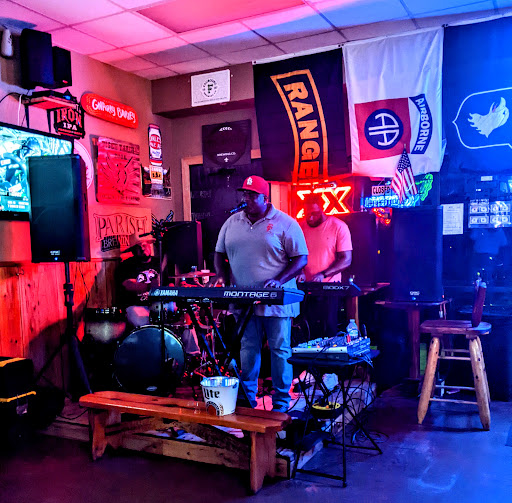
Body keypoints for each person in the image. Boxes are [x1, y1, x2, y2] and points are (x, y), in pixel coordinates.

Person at [213, 175, 308, 412]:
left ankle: (281, 402)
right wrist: (222, 277)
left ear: (265, 198)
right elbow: (219, 253)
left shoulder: (285, 223)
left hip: (277, 299)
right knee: (248, 347)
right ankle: (248, 398)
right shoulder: (232, 222)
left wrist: (279, 280)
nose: (246, 198)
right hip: (243, 299)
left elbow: (301, 258)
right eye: (244, 194)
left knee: (279, 349)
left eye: (252, 195)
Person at [298, 193, 353, 338]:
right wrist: (299, 271)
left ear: (323, 209)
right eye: (307, 214)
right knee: (307, 330)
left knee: (328, 328)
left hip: (329, 287)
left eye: (314, 214)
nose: (310, 218)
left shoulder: (338, 226)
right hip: (306, 287)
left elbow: (346, 259)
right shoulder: (300, 227)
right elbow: (294, 255)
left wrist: (323, 274)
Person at [116, 232, 160, 328]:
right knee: (144, 323)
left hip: (158, 304)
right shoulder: (126, 265)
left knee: (175, 311)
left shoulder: (159, 263)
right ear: (133, 251)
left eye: (144, 245)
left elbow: (170, 284)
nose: (142, 248)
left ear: (149, 246)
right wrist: (150, 286)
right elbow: (129, 285)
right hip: (137, 306)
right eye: (138, 246)